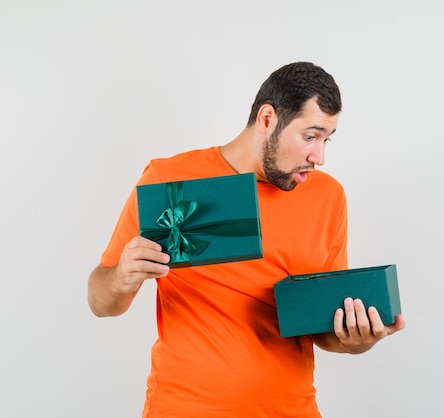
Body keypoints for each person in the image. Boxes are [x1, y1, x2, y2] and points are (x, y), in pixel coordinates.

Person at [88, 61, 406, 417]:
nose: (319, 156)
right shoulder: (169, 180)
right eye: (310, 136)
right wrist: (120, 277)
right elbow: (102, 302)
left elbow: (320, 325)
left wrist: (356, 340)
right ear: (267, 119)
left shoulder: (328, 196)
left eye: (326, 139)